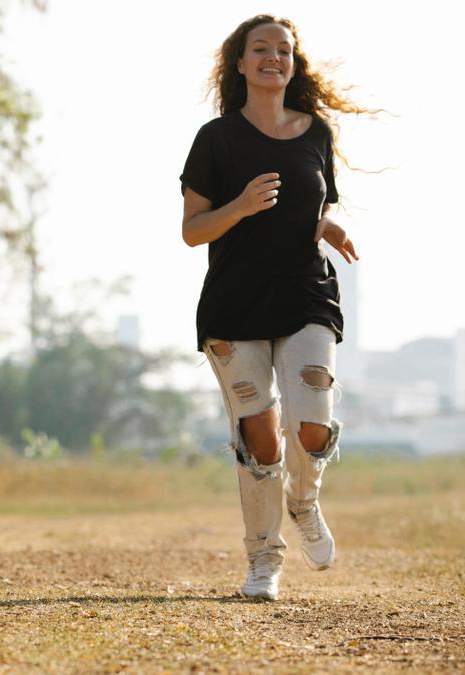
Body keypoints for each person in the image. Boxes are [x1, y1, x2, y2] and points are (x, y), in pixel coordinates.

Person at [179, 15, 365, 601]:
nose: (272, 58)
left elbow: (309, 209)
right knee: (260, 438)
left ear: (293, 63)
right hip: (235, 304)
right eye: (260, 49)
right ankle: (264, 561)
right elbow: (192, 231)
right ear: (239, 63)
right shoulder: (217, 139)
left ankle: (304, 502)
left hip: (305, 292)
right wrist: (238, 206)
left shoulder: (316, 133)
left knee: (311, 424)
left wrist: (328, 224)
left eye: (283, 50)